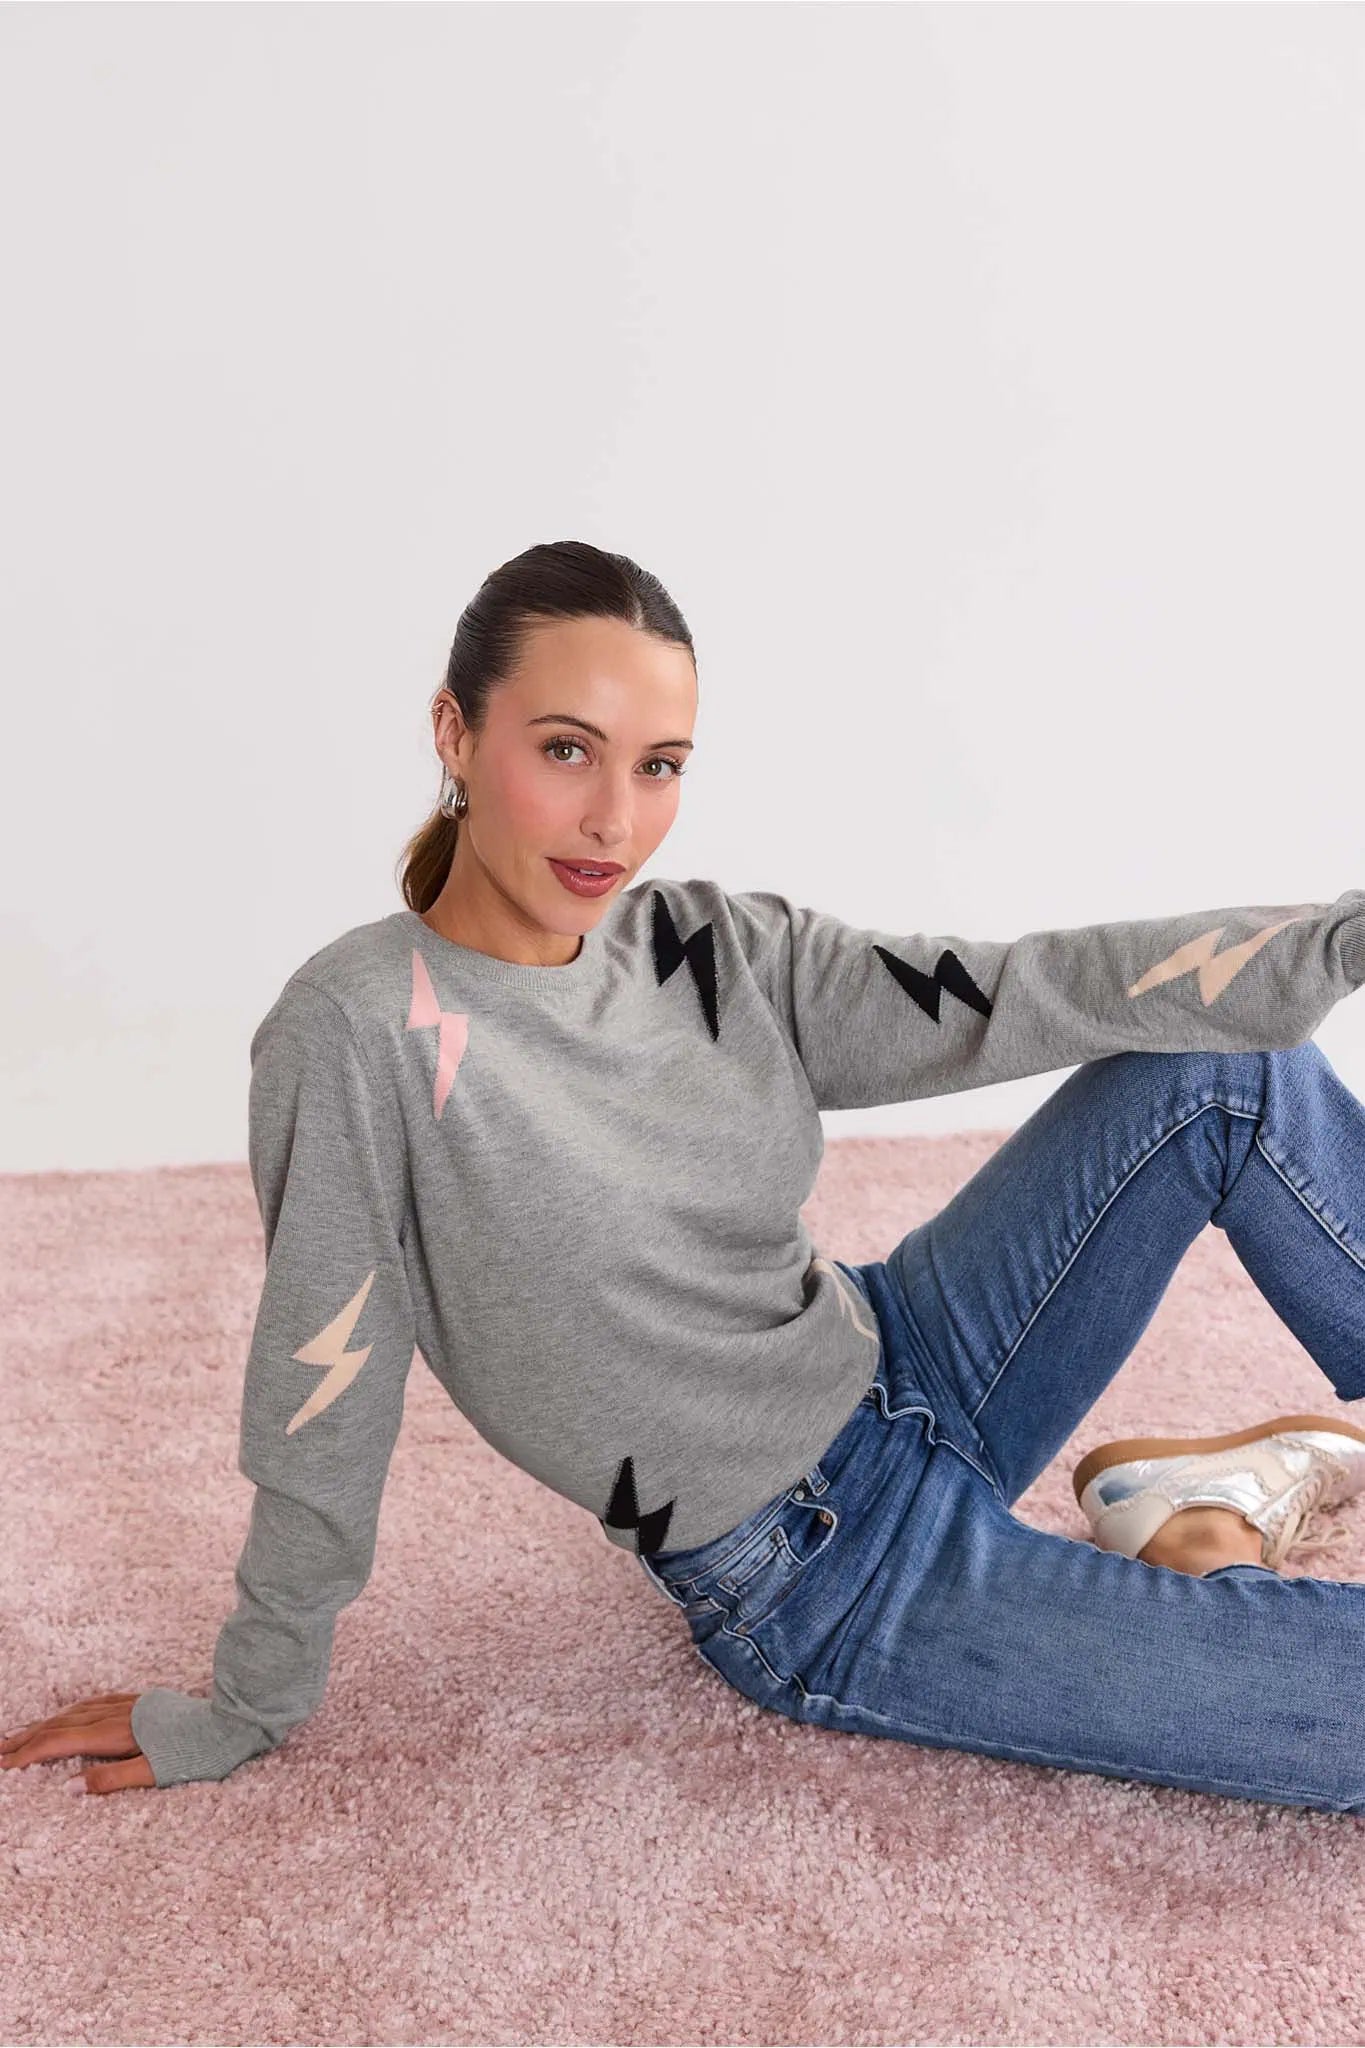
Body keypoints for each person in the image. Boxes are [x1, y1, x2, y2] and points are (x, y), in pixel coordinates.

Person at [6, 538, 1365, 1811]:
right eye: (564, 751)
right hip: (815, 1574)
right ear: (453, 734)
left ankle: (1194, 1536)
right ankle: (1195, 1539)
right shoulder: (357, 1027)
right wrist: (247, 1698)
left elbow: (1010, 992)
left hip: (912, 1361)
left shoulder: (703, 947)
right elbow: (327, 1377)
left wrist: (1344, 939)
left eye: (658, 766)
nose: (614, 817)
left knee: (1224, 1068)